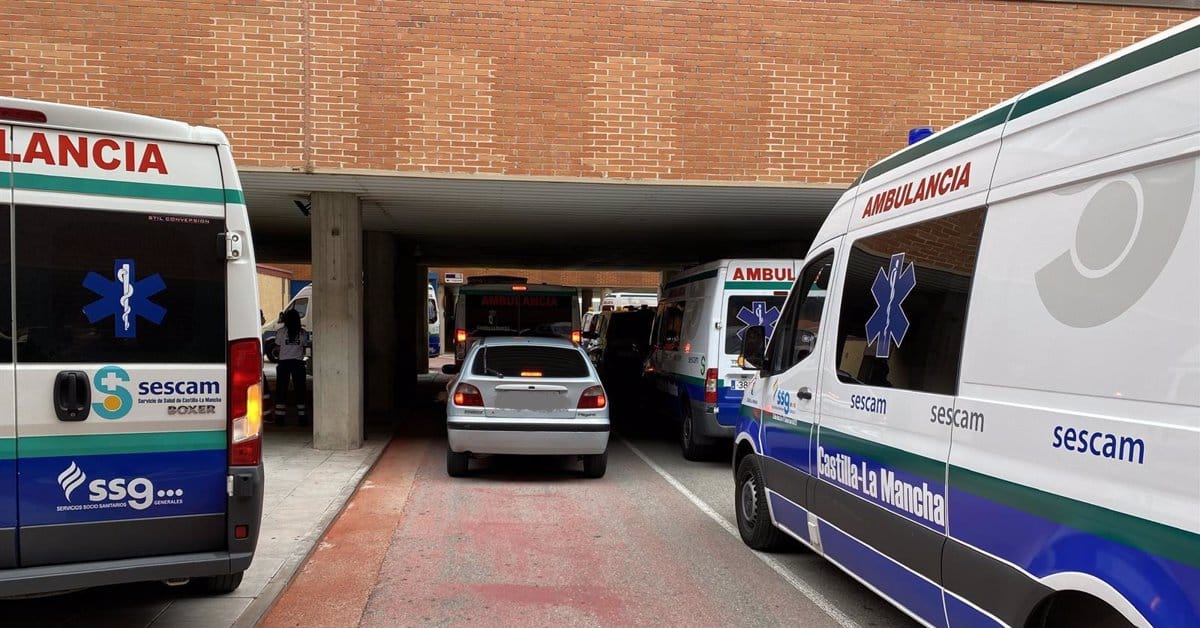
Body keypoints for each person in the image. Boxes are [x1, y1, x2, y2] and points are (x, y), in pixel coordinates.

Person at [270, 308, 309, 425]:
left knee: (281, 390)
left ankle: (280, 418)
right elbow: (304, 348)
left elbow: (277, 348)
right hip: (298, 363)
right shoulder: (303, 333)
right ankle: (302, 417)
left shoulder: (281, 332)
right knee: (300, 390)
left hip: (284, 363)